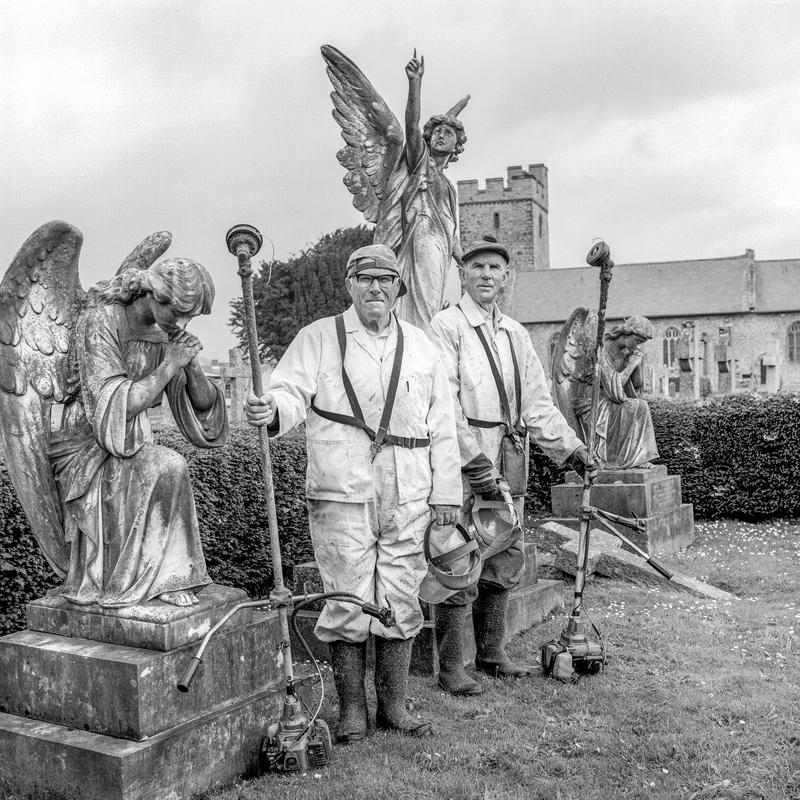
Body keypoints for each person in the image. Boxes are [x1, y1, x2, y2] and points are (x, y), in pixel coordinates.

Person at [246, 244, 461, 740]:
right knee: (346, 597)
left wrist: (446, 494)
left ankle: (394, 707)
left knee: (401, 594)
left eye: (386, 280)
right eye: (365, 279)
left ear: (398, 288)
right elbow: (289, 392)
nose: (376, 288)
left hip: (409, 489)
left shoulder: (423, 347)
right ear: (349, 284)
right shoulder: (318, 337)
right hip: (340, 488)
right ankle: (352, 712)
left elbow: (444, 426)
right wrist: (272, 409)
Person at [428, 235, 594, 696]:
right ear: (463, 274)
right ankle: (451, 667)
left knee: (503, 553)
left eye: (494, 269)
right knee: (458, 557)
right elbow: (443, 404)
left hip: (510, 456)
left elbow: (538, 405)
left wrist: (573, 450)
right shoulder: (447, 327)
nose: (485, 275)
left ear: (505, 277)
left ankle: (492, 653)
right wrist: (473, 461)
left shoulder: (516, 334)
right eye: (477, 267)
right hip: (464, 462)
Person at [54, 258, 228, 607]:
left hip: (130, 439)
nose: (182, 323)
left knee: (164, 465)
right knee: (169, 465)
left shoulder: (167, 334)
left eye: (190, 316)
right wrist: (169, 365)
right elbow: (113, 403)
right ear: (154, 294)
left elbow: (204, 408)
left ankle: (164, 579)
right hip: (89, 443)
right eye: (178, 313)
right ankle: (155, 580)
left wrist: (191, 367)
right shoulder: (100, 321)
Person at [374, 49, 467, 332]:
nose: (440, 135)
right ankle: (415, 351)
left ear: (457, 146)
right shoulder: (419, 163)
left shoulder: (449, 188)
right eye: (436, 131)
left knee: (431, 305)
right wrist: (416, 82)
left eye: (448, 133)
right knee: (420, 312)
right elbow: (411, 125)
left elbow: (452, 234)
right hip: (418, 242)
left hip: (439, 250)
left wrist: (469, 262)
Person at [593, 316, 659, 469]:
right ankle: (623, 460)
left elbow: (636, 386)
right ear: (626, 334)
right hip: (598, 400)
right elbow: (613, 389)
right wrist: (630, 365)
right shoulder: (602, 349)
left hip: (614, 398)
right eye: (638, 341)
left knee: (640, 405)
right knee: (637, 406)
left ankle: (636, 459)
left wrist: (638, 364)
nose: (639, 346)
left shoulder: (626, 352)